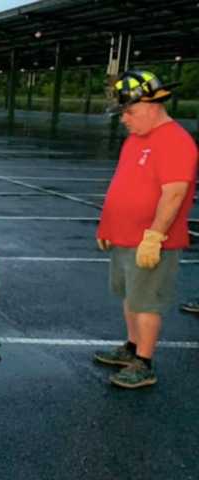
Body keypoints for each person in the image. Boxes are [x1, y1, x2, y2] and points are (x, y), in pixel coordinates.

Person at [95, 69, 197, 389]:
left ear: (154, 105)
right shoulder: (137, 139)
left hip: (150, 241)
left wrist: (154, 236)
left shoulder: (175, 141)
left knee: (147, 303)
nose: (124, 119)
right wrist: (107, 225)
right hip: (125, 237)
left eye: (130, 112)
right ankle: (131, 347)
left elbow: (175, 193)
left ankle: (145, 362)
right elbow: (122, 184)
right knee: (131, 296)